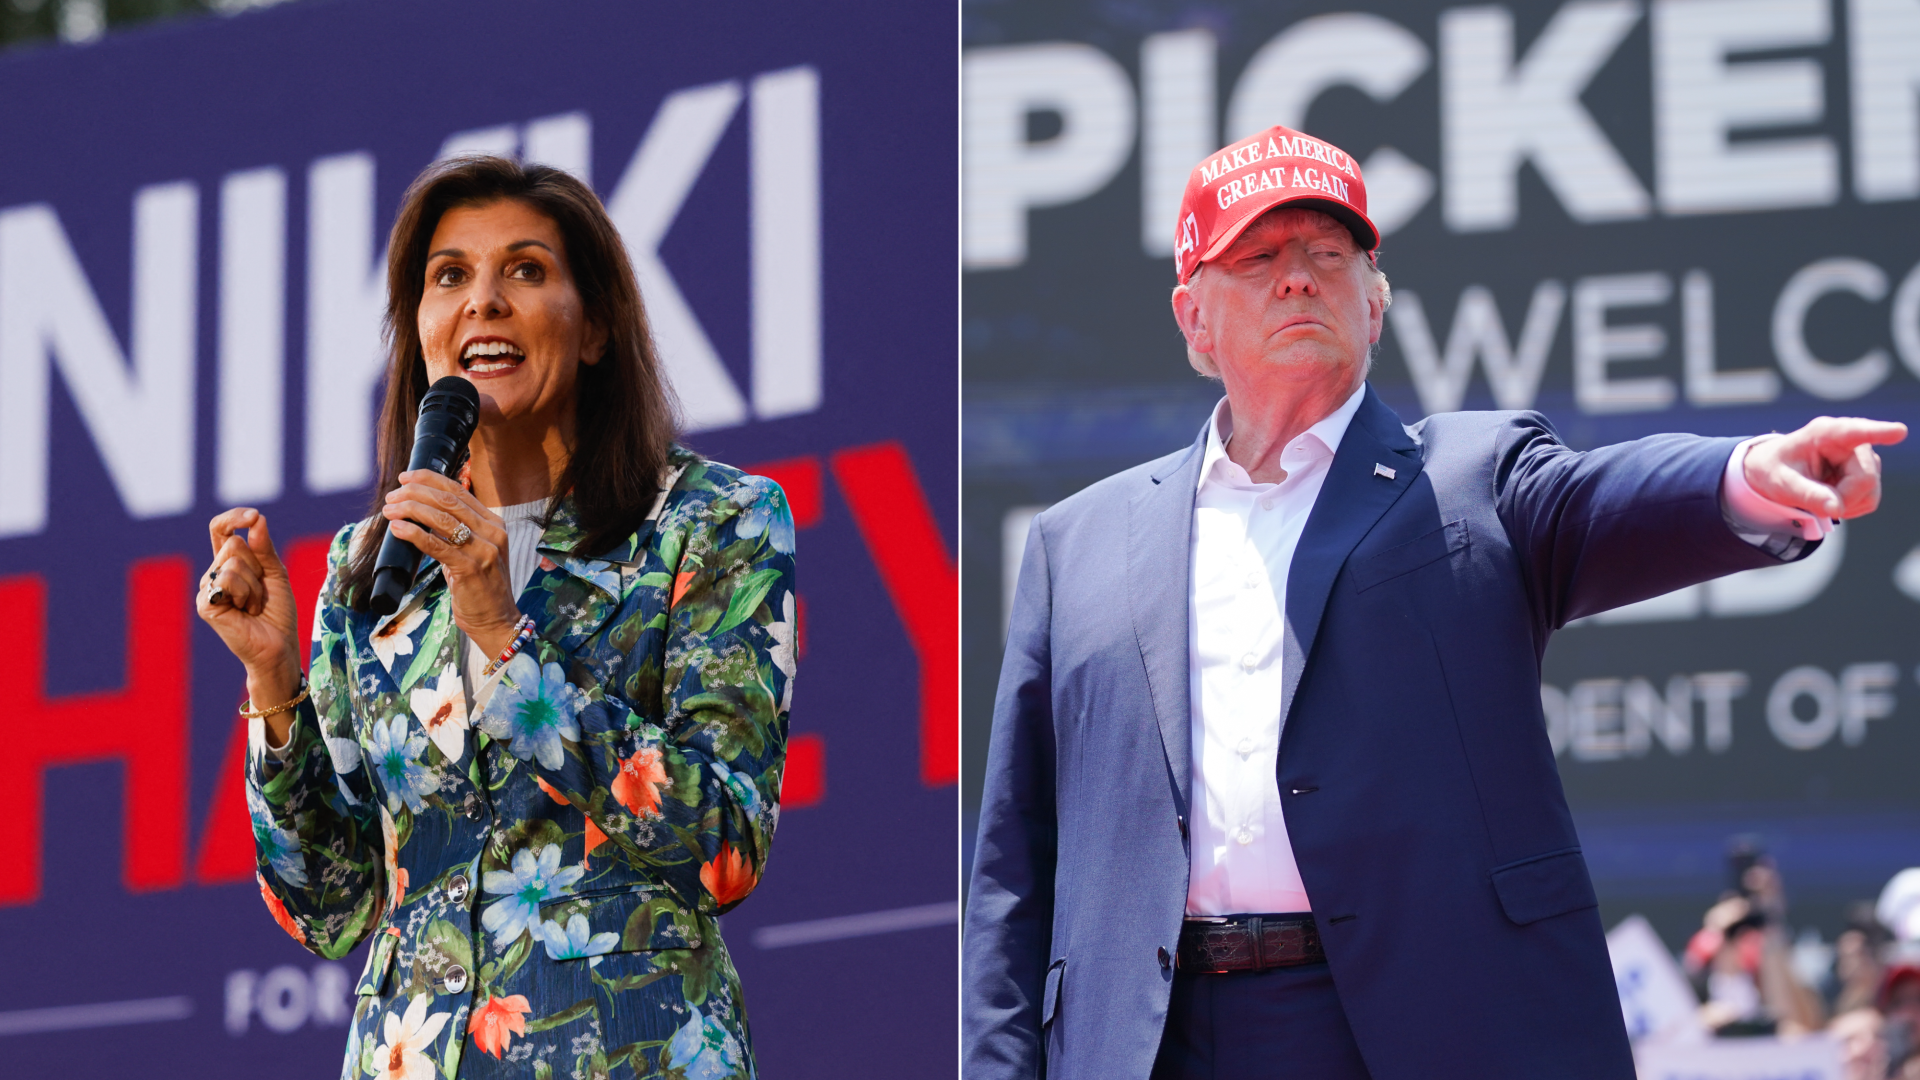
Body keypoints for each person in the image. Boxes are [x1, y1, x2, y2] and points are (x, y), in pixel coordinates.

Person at [961, 122, 1905, 1080]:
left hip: (1419, 1024)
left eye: (1329, 253)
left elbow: (1605, 500)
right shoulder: (1076, 544)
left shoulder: (1469, 479)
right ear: (1194, 318)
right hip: (1150, 1042)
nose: (1298, 277)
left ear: (1374, 304)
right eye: (1258, 256)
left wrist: (1754, 474)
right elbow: (1013, 873)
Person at [196, 156, 796, 1080]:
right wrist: (273, 680)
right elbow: (330, 911)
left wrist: (503, 635)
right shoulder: (366, 568)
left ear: (594, 326)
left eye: (525, 269)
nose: (483, 301)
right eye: (450, 277)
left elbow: (723, 846)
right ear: (421, 332)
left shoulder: (711, 522)